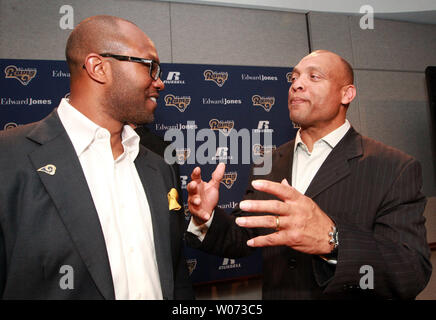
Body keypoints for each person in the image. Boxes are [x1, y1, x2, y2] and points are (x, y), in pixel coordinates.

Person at [186, 50, 432, 299]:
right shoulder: (268, 163)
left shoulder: (394, 167)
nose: (297, 85)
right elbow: (245, 236)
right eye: (294, 78)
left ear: (346, 94)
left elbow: (410, 270)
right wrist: (207, 218)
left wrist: (334, 241)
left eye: (314, 77)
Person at [0, 15, 193, 300]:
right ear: (98, 67)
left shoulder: (159, 165)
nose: (160, 82)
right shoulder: (9, 159)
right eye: (150, 66)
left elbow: (176, 276)